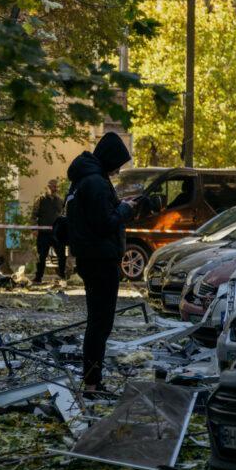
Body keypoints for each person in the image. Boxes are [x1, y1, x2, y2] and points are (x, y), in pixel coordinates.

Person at [65, 132, 137, 394]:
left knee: (97, 322)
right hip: (100, 259)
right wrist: (125, 209)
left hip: (90, 257)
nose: (118, 170)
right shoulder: (95, 182)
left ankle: (92, 381)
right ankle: (93, 383)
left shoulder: (82, 180)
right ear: (109, 158)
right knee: (100, 323)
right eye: (118, 164)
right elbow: (104, 222)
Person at [31, 179, 65, 283]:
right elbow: (33, 216)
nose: (54, 189)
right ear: (47, 187)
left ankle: (62, 276)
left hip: (57, 233)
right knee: (42, 257)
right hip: (43, 234)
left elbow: (63, 215)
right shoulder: (40, 200)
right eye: (52, 187)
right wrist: (34, 228)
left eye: (55, 187)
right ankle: (38, 277)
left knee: (62, 256)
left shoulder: (60, 200)